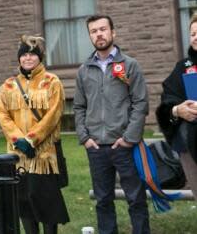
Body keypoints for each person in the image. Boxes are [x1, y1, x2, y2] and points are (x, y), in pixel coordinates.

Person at [74, 15, 150, 234]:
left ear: (113, 33)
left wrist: (129, 138)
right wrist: (85, 138)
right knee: (103, 200)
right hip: (96, 147)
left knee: (135, 198)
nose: (99, 34)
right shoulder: (84, 70)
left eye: (103, 29)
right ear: (90, 36)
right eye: (93, 31)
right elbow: (78, 107)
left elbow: (140, 102)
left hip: (124, 145)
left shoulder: (130, 65)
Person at [0, 35, 69, 234]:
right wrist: (18, 139)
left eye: (32, 55)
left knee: (46, 203)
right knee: (23, 203)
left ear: (40, 58)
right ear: (19, 58)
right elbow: (2, 114)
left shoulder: (52, 82)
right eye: (24, 55)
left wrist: (31, 139)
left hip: (43, 156)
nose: (28, 58)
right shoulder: (8, 86)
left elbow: (54, 114)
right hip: (18, 157)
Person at [156, 13, 197, 199]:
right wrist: (177, 110)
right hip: (190, 144)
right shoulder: (182, 68)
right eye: (193, 33)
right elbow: (166, 103)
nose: (196, 37)